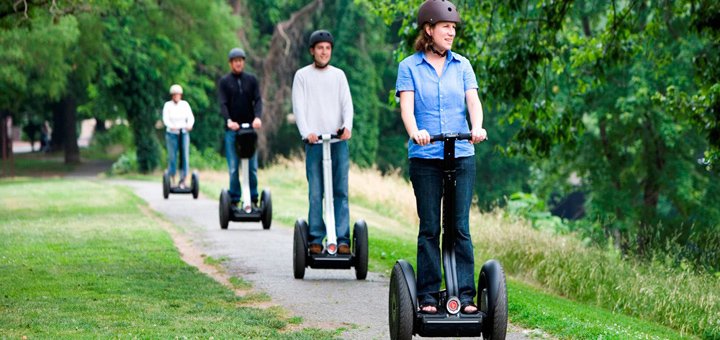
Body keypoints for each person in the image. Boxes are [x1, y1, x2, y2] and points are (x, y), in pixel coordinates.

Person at [395, 0, 487, 314]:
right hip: (425, 157)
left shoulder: (462, 65)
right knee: (430, 227)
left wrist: (477, 126)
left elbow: (473, 102)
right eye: (446, 27)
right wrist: (415, 131)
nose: (451, 32)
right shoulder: (409, 67)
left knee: (459, 227)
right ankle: (428, 295)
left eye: (453, 28)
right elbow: (406, 108)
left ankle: (463, 296)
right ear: (428, 29)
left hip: (462, 153)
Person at [292, 30, 354, 255]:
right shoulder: (302, 76)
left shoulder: (338, 75)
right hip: (314, 143)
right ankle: (316, 238)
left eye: (327, 48)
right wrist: (306, 132)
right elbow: (299, 107)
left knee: (340, 191)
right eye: (320, 48)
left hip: (338, 142)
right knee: (316, 192)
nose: (324, 52)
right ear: (312, 51)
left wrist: (347, 126)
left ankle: (342, 238)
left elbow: (347, 103)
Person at [218, 48, 263, 206]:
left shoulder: (251, 80)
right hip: (233, 131)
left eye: (240, 60)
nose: (238, 63)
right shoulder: (225, 82)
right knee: (233, 168)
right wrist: (229, 121)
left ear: (243, 62)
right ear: (231, 63)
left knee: (251, 168)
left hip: (249, 130)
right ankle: (235, 199)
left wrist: (257, 118)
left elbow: (257, 100)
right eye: (235, 61)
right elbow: (223, 104)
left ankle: (253, 197)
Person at [162, 84, 195, 188]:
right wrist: (172, 126)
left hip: (184, 133)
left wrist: (189, 125)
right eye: (174, 94)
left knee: (184, 156)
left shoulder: (185, 104)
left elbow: (190, 117)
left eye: (178, 94)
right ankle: (172, 178)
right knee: (172, 156)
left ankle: (183, 179)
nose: (176, 96)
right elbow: (166, 119)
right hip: (172, 134)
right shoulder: (168, 105)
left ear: (181, 95)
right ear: (172, 95)